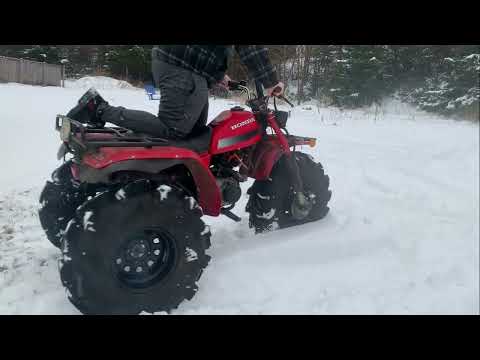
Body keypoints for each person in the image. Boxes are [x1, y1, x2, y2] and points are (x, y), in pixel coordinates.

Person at [66, 45, 285, 140]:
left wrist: (220, 77)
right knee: (174, 130)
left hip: (179, 64)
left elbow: (204, 51)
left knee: (196, 137)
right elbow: (252, 50)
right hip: (181, 68)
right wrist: (272, 82)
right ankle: (100, 109)